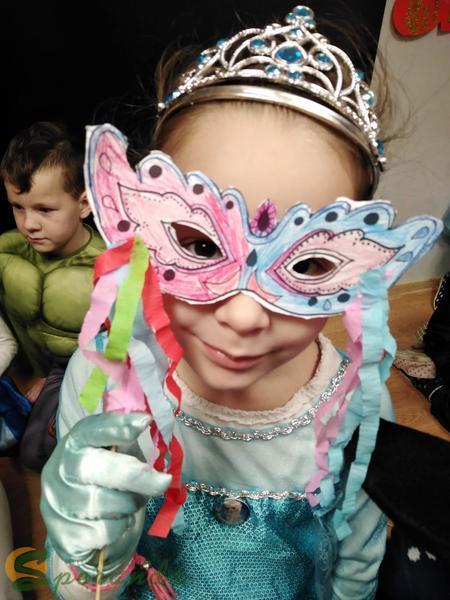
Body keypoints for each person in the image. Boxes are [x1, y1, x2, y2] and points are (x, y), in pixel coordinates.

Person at [39, 7, 443, 600]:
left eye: (308, 265)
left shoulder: (356, 405)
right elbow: (79, 585)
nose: (245, 315)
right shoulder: (104, 381)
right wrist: (89, 554)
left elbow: (357, 560)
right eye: (201, 245)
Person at [0, 121, 105, 469]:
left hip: (80, 374)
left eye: (44, 210)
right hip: (20, 369)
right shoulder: (7, 252)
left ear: (84, 204)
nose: (29, 223)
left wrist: (62, 384)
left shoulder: (110, 267)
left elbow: (122, 349)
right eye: (18, 207)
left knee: (37, 453)